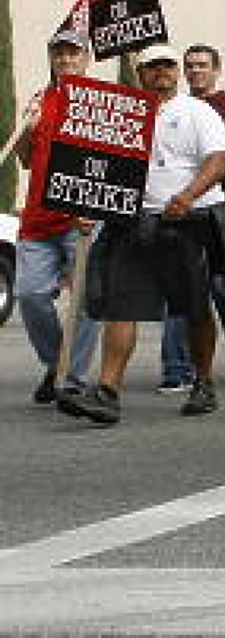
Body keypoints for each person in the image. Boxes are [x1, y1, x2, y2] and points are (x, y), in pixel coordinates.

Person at [58, 45, 225, 425]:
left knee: (194, 308)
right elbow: (98, 169)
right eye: (152, 67)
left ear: (177, 72)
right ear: (140, 73)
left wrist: (187, 196)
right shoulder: (124, 116)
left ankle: (203, 382)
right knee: (121, 306)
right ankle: (107, 393)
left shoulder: (197, 111)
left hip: (187, 223)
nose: (161, 72)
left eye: (167, 65)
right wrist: (88, 208)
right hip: (133, 222)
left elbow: (221, 157)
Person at [157, 45, 225, 390]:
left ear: (217, 70)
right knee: (182, 292)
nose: (196, 71)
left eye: (203, 65)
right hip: (179, 215)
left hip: (220, 212)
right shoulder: (174, 109)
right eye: (190, 66)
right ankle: (176, 368)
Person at [14, 26, 100, 403]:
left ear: (86, 58)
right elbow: (28, 161)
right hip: (38, 219)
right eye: (59, 53)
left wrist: (96, 208)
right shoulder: (39, 99)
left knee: (84, 303)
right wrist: (27, 132)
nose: (66, 59)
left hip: (81, 219)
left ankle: (72, 379)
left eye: (73, 53)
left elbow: (117, 167)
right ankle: (57, 364)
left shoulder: (103, 103)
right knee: (30, 295)